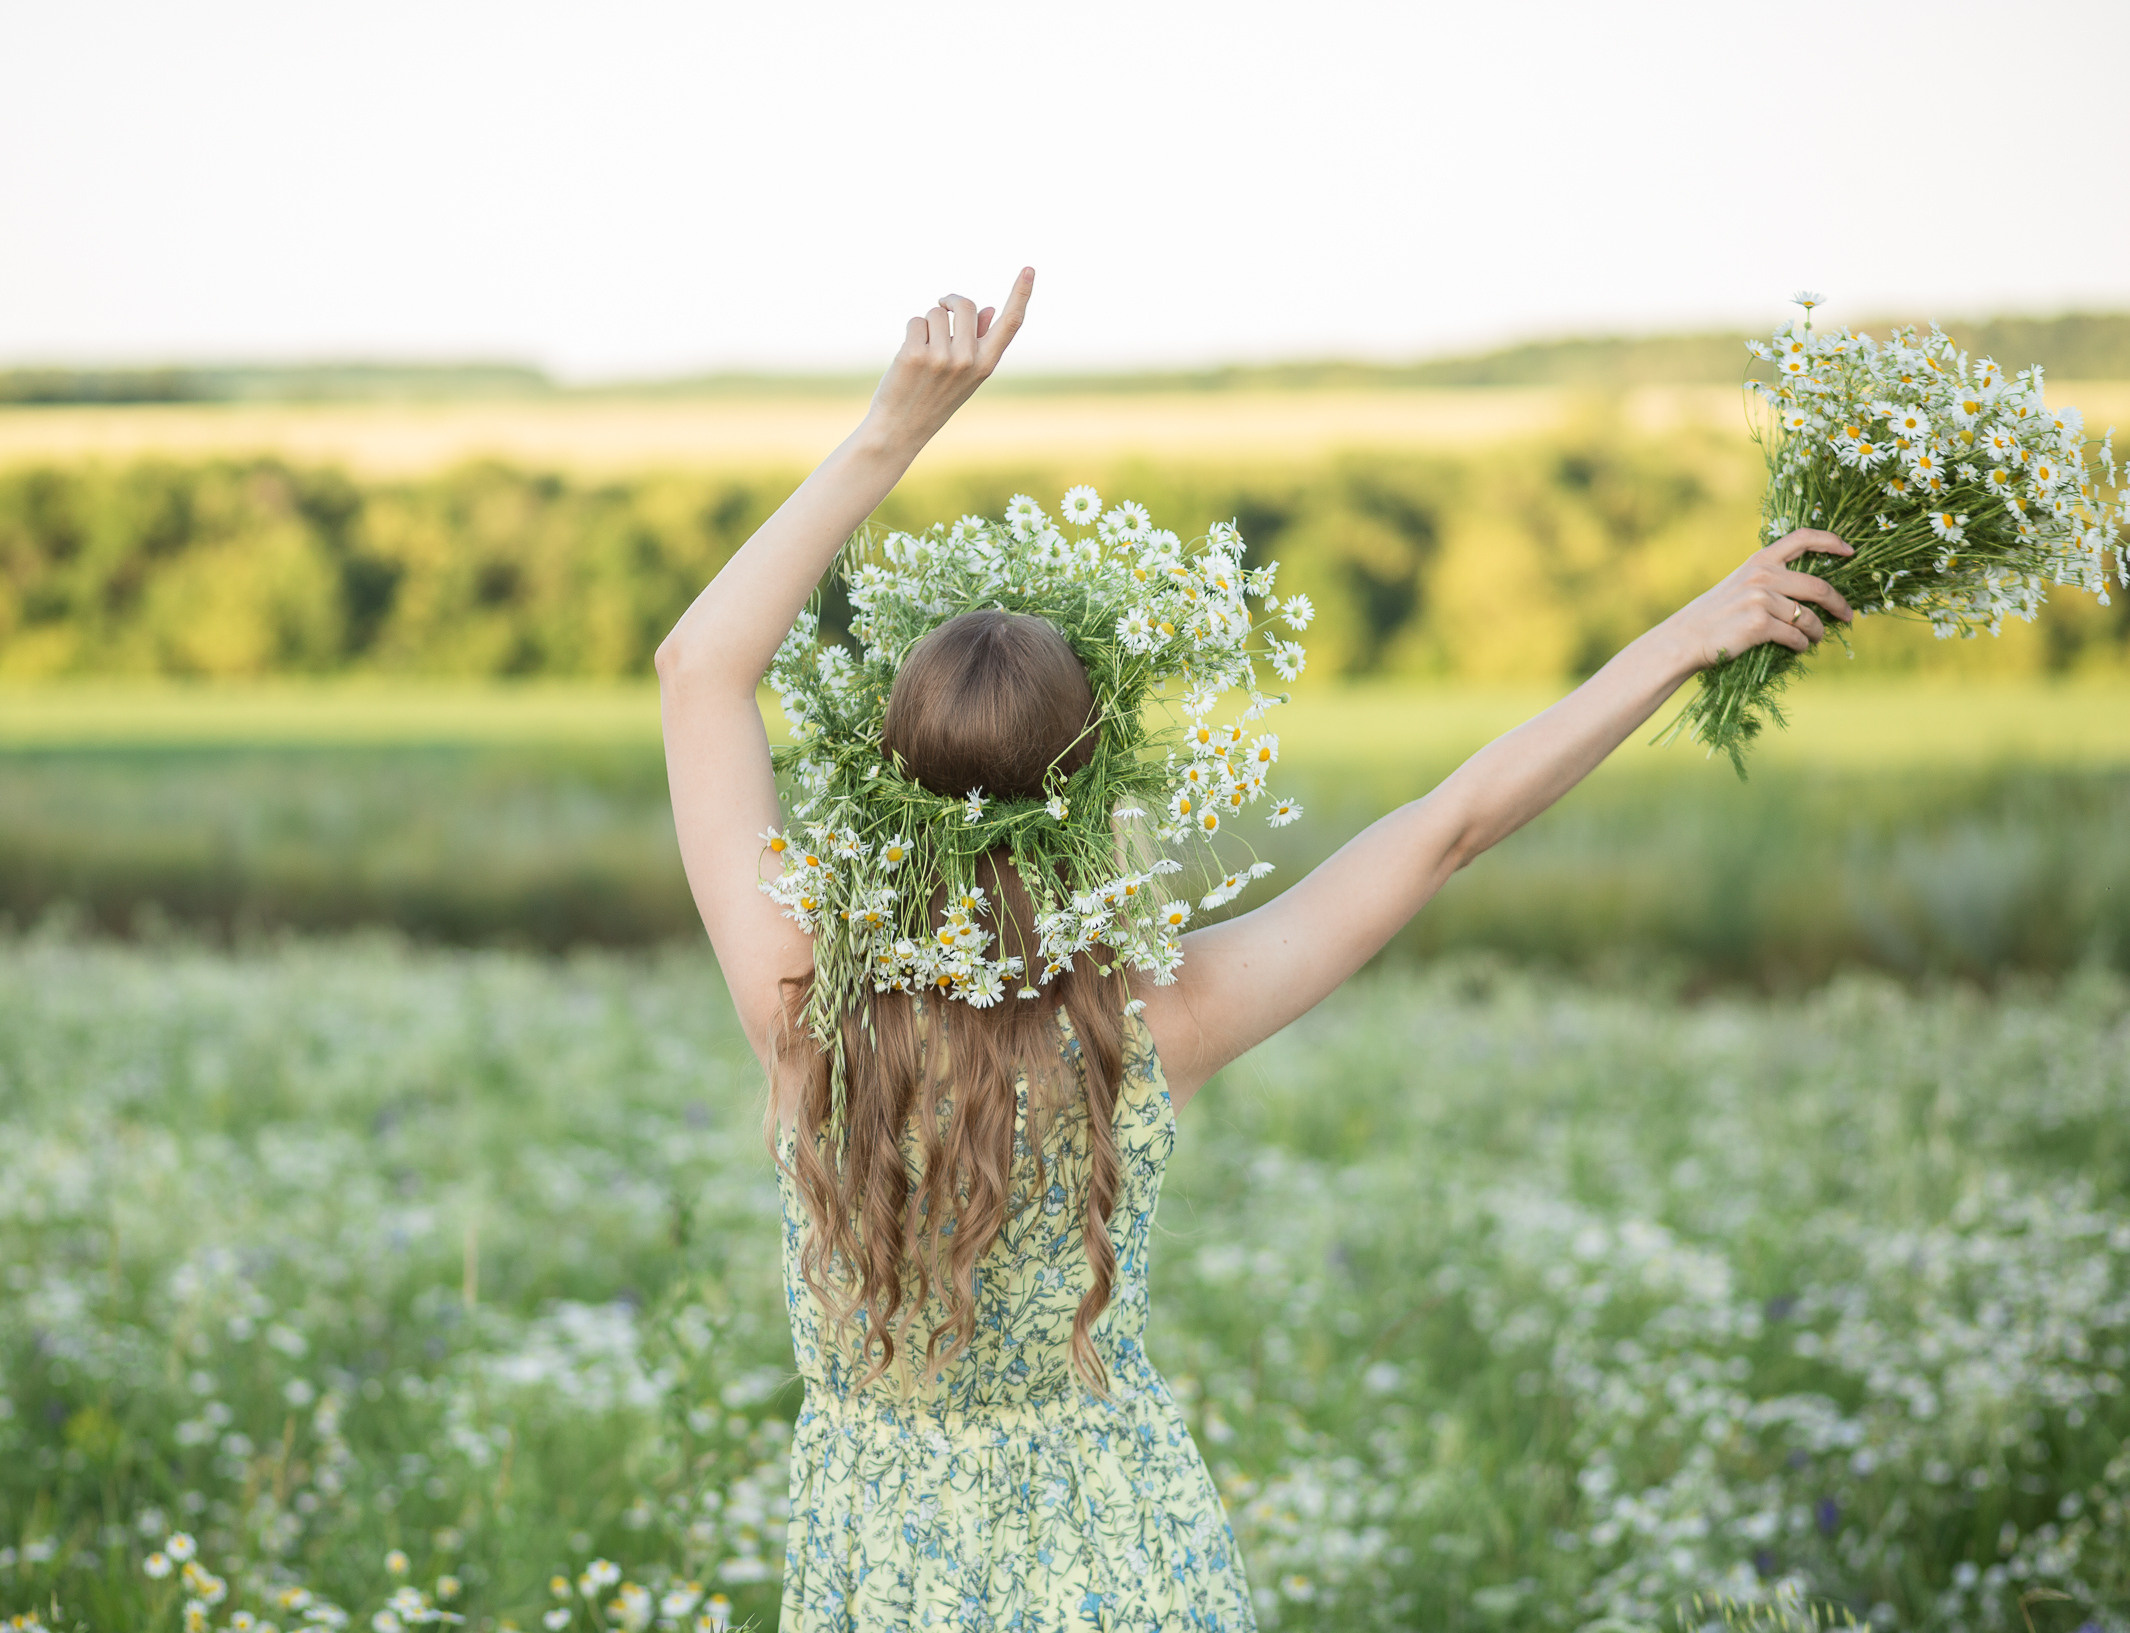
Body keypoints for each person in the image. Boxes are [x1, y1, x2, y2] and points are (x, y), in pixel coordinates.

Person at [653, 269, 1852, 1631]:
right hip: (1127, 1555)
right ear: (1090, 787)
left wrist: (893, 427)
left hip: (875, 1567)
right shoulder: (1151, 1019)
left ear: (886, 777)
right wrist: (1687, 634)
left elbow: (698, 668)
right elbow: (1445, 827)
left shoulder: (800, 1001)